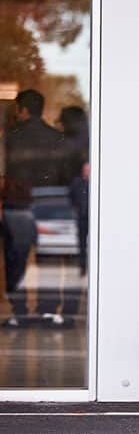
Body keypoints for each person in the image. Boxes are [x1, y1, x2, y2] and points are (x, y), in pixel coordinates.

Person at [2, 89, 65, 327]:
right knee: (48, 258)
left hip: (17, 205)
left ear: (24, 110)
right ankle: (47, 310)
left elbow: (3, 173)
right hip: (49, 204)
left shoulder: (10, 137)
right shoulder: (56, 138)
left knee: (16, 260)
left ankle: (19, 312)